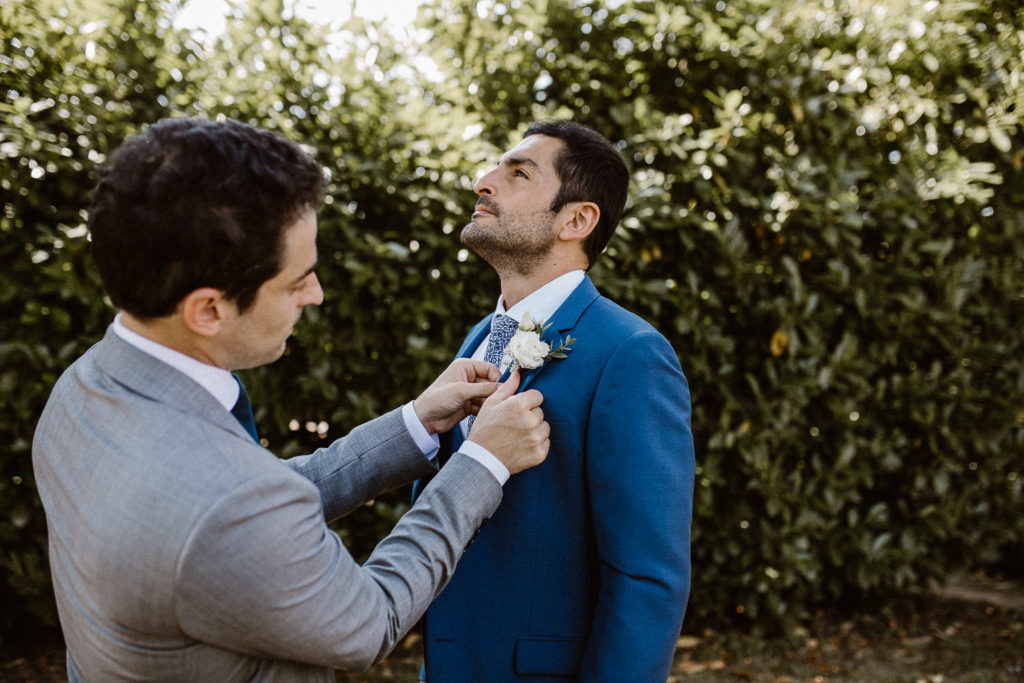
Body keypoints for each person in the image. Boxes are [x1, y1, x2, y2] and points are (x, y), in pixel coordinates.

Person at [31, 117, 550, 682]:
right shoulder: (229, 504)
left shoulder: (82, 389)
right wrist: (480, 464)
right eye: (296, 279)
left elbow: (250, 517)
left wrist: (415, 422)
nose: (316, 294)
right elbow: (365, 621)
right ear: (208, 310)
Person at [417, 120, 695, 681]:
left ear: (577, 219)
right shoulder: (478, 338)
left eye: (517, 173)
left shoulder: (631, 353)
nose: (483, 182)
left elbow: (648, 577)